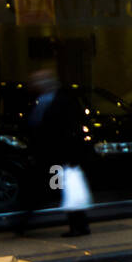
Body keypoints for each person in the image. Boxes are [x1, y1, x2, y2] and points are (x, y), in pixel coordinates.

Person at [25, 67, 93, 236]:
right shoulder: (43, 100)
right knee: (60, 187)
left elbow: (70, 128)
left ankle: (77, 225)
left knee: (61, 187)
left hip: (61, 154)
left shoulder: (62, 101)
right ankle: (79, 224)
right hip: (53, 154)